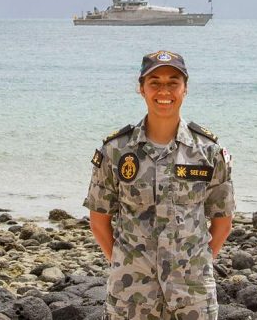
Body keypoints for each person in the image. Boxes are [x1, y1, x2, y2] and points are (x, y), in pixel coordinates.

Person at [84, 50, 235, 320]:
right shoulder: (116, 150)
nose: (163, 90)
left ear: (185, 89)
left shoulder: (209, 151)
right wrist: (125, 263)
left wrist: (196, 265)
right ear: (141, 89)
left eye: (173, 82)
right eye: (154, 82)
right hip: (131, 294)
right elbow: (99, 220)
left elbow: (222, 222)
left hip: (193, 295)